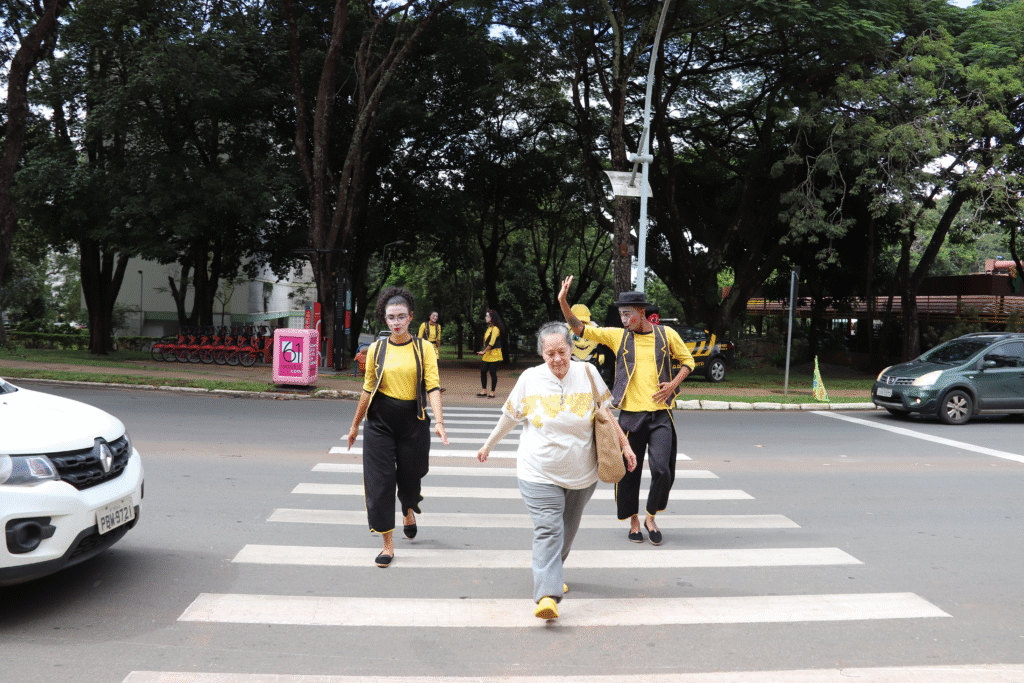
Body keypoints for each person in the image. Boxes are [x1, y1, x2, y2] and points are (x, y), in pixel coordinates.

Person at [476, 322, 636, 620]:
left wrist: (625, 445)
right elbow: (509, 418)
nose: (557, 359)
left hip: (582, 474)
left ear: (571, 349)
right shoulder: (529, 379)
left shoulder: (588, 374)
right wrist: (488, 445)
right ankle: (547, 595)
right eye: (550, 354)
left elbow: (606, 415)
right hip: (538, 471)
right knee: (549, 529)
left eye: (562, 352)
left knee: (567, 530)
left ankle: (551, 569)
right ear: (542, 354)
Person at [558, 276, 695, 546]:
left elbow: (688, 362)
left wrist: (672, 385)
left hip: (660, 415)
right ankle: (634, 521)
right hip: (631, 416)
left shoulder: (667, 335)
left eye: (627, 314)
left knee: (662, 470)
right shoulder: (618, 336)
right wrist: (563, 301)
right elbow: (579, 329)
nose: (623, 319)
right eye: (620, 314)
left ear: (642, 313)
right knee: (629, 473)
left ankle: (651, 516)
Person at [347, 287, 449, 567]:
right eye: (391, 317)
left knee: (410, 478)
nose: (396, 322)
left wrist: (439, 421)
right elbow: (368, 389)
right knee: (380, 483)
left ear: (411, 317)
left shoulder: (423, 348)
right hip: (379, 422)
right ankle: (387, 544)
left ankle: (407, 508)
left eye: (401, 316)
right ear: (385, 319)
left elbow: (433, 386)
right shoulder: (376, 349)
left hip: (412, 422)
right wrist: (355, 425)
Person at [475, 308, 504, 398]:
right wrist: (485, 351)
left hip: (494, 353)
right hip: (488, 353)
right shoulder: (489, 328)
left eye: (487, 316)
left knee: (492, 372)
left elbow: (491, 343)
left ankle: (492, 392)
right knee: (483, 371)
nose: (486, 318)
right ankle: (484, 390)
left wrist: (483, 351)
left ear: (492, 318)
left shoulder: (495, 329)